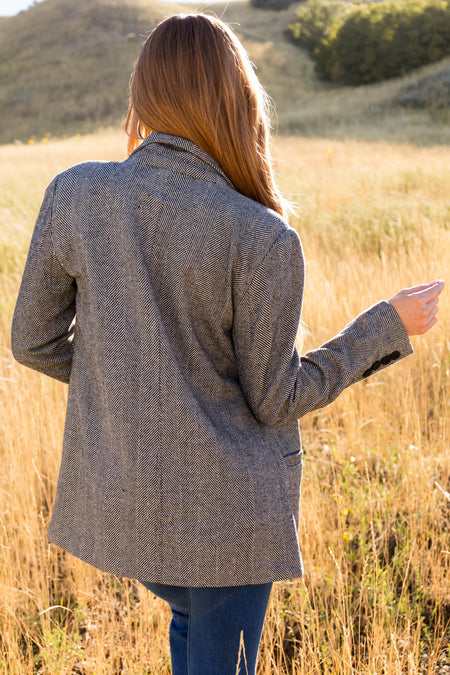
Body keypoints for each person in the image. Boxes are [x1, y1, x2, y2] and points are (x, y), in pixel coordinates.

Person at [11, 13, 443, 675]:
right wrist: (383, 324)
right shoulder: (262, 236)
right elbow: (276, 400)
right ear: (238, 99)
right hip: (226, 528)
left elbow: (32, 341)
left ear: (145, 92)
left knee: (188, 625)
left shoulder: (76, 193)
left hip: (134, 516)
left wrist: (133, 377)